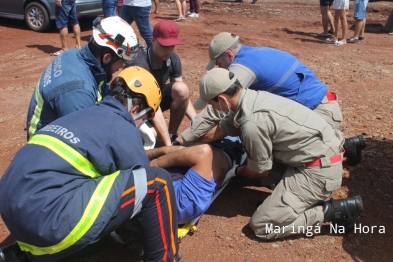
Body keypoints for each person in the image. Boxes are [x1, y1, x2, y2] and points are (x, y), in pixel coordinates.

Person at [0, 66, 180, 261]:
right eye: (144, 119)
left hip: (14, 210)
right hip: (48, 222)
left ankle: (20, 255)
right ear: (135, 109)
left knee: (97, 214)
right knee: (157, 183)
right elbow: (142, 186)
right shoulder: (120, 125)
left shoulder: (81, 116)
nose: (141, 124)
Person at [192, 68, 363, 240]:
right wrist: (186, 142)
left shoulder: (252, 122)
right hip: (315, 155)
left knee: (262, 226)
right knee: (255, 168)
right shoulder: (252, 98)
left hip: (318, 172)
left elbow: (260, 170)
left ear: (222, 99)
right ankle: (284, 204)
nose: (212, 108)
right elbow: (221, 130)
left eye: (211, 104)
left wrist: (235, 171)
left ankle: (333, 212)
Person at [181, 32, 365, 165]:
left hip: (320, 112)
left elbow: (219, 107)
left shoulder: (242, 67)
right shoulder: (255, 53)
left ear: (229, 55)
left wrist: (184, 139)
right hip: (321, 104)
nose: (219, 69)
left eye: (219, 64)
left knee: (270, 147)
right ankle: (346, 144)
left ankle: (342, 147)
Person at [26, 16, 140, 140]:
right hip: (48, 149)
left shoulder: (73, 54)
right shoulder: (78, 91)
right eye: (121, 62)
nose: (121, 67)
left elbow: (102, 91)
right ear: (106, 57)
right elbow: (88, 139)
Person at [146, 137, 244, 224]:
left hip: (201, 150)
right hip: (227, 148)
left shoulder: (173, 201)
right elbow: (203, 152)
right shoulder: (182, 204)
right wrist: (155, 162)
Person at [129, 20, 196, 146]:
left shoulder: (173, 59)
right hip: (137, 107)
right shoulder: (141, 64)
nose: (168, 51)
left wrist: (197, 122)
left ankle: (171, 135)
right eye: (164, 46)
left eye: (172, 46)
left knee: (181, 89)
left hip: (155, 101)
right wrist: (167, 146)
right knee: (151, 136)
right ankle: (165, 142)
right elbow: (150, 101)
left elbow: (183, 95)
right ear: (152, 41)